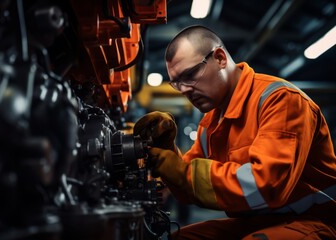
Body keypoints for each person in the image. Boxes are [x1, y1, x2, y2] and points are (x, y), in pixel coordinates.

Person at [133, 25, 336, 239]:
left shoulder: (280, 100)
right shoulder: (209, 124)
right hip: (254, 222)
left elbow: (268, 186)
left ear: (220, 58)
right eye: (177, 83)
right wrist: (168, 150)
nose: (185, 90)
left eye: (191, 74)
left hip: (316, 220)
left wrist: (182, 174)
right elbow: (188, 188)